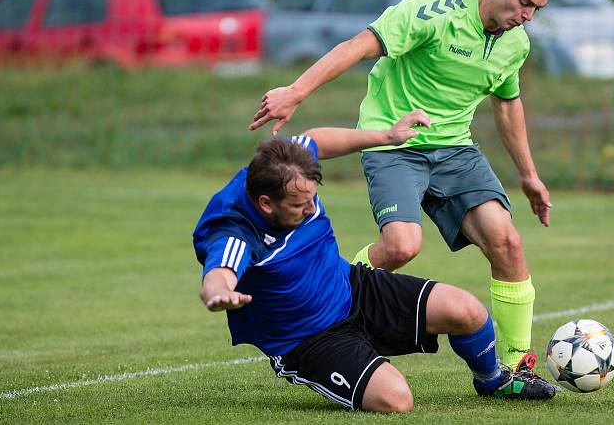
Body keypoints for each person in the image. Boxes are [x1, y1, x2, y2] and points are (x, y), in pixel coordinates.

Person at [249, 0, 556, 376]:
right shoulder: (434, 10)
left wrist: (528, 175)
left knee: (508, 241)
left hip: (455, 150)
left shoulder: (515, 44)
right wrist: (296, 91)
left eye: (536, 10)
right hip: (394, 141)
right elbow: (358, 45)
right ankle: (324, 301)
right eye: (524, 3)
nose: (527, 16)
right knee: (401, 245)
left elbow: (507, 104)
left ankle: (515, 369)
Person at [193, 110, 556, 413]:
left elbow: (315, 138)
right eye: (298, 207)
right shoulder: (236, 233)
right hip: (308, 339)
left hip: (352, 287)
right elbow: (219, 272)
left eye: (312, 201)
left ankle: (494, 382)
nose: (310, 210)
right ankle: (357, 365)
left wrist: (386, 136)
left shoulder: (287, 167)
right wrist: (219, 293)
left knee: (468, 311)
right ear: (265, 204)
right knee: (396, 399)